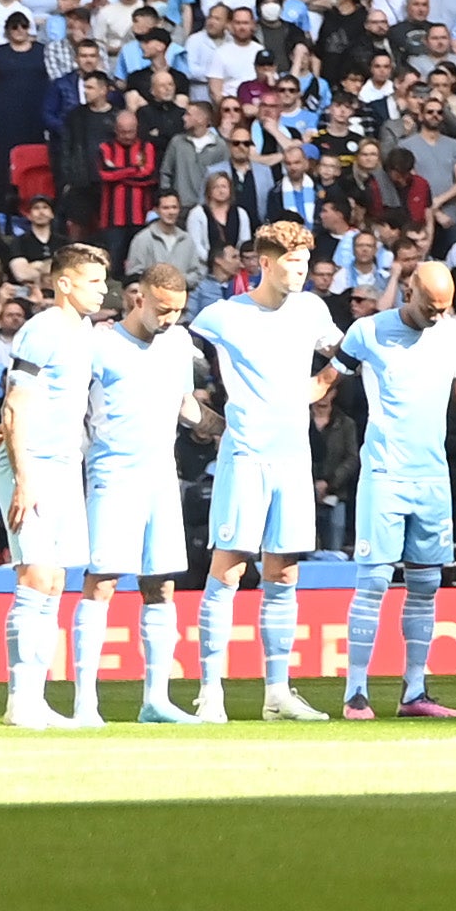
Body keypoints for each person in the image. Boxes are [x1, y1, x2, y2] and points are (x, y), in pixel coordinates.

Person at [184, 216, 341, 723]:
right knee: (228, 570)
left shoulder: (313, 308)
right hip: (246, 455)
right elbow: (176, 351)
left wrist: (320, 385)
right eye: (293, 264)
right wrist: (202, 414)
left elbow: (343, 352)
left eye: (305, 264)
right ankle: (210, 690)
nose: (301, 274)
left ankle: (278, 691)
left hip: (294, 456)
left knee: (285, 572)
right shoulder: (223, 315)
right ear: (267, 264)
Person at [335, 259, 456, 722]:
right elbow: (325, 382)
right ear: (409, 290)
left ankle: (414, 691)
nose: (437, 316)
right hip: (385, 474)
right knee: (374, 580)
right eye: (431, 306)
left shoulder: (453, 333)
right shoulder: (367, 332)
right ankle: (356, 693)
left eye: (445, 308)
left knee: (426, 584)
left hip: (433, 478)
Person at [76, 262, 205, 727]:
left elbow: (185, 405)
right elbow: (71, 403)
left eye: (178, 311)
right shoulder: (100, 345)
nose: (170, 319)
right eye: (164, 310)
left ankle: (156, 699)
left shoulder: (179, 343)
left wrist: (221, 429)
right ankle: (85, 703)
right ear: (139, 300)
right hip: (113, 474)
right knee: (104, 580)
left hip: (161, 475)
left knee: (161, 584)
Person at [0, 246, 117, 728]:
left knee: (56, 583)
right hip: (34, 469)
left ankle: (35, 698)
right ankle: (19, 700)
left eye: (104, 282)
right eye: (93, 282)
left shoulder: (85, 333)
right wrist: (24, 477)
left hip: (67, 466)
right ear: (64, 284)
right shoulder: (42, 329)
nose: (102, 290)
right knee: (35, 578)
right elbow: (15, 402)